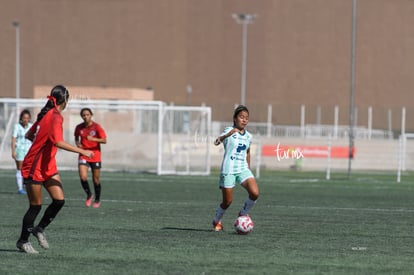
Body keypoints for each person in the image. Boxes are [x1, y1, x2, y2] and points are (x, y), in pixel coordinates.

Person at [16, 85, 93, 254]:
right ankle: (23, 241)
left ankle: (39, 229)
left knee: (59, 200)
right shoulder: (55, 116)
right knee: (35, 206)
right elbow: (58, 142)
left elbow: (29, 135)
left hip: (47, 165)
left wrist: (42, 141)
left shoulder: (46, 115)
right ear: (65, 100)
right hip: (35, 166)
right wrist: (83, 151)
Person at [212, 105, 259, 231]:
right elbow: (216, 142)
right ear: (235, 119)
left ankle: (243, 213)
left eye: (246, 118)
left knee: (255, 193)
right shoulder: (228, 130)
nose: (244, 120)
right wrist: (226, 135)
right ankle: (216, 221)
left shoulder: (249, 136)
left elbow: (248, 152)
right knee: (227, 201)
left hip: (243, 169)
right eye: (241, 117)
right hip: (228, 170)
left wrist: (248, 169)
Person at [74, 107, 107, 208]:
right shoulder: (79, 127)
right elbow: (76, 138)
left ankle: (97, 199)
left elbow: (104, 140)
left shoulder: (97, 127)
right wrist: (78, 144)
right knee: (83, 176)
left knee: (95, 180)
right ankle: (89, 194)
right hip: (84, 153)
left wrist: (93, 139)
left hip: (95, 155)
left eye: (87, 115)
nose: (85, 117)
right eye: (83, 115)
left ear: (91, 115)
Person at [11, 109, 33, 194]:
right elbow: (13, 139)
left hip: (29, 151)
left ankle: (26, 185)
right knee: (20, 169)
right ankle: (20, 188)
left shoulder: (31, 126)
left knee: (28, 169)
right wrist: (13, 151)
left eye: (27, 118)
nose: (25, 120)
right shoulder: (17, 126)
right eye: (24, 118)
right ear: (21, 118)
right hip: (20, 150)